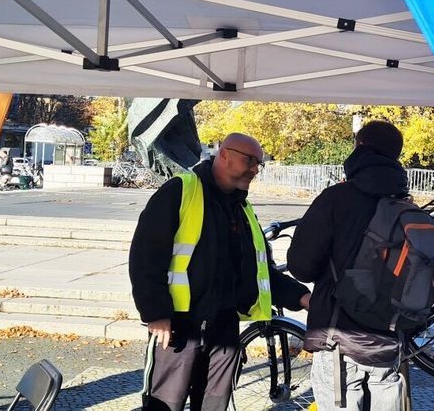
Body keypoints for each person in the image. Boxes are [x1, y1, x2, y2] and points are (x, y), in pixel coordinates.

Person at [129, 132, 311, 411]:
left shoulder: (242, 209)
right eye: (249, 160)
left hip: (224, 328)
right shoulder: (181, 190)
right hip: (178, 327)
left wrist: (301, 297)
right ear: (224, 155)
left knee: (214, 406)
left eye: (258, 164)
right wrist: (155, 313)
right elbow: (146, 256)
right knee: (165, 404)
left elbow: (259, 272)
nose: (254, 169)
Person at [287, 121, 408, 411]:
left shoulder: (336, 198)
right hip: (388, 340)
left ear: (360, 148)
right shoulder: (404, 204)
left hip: (338, 338)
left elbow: (301, 266)